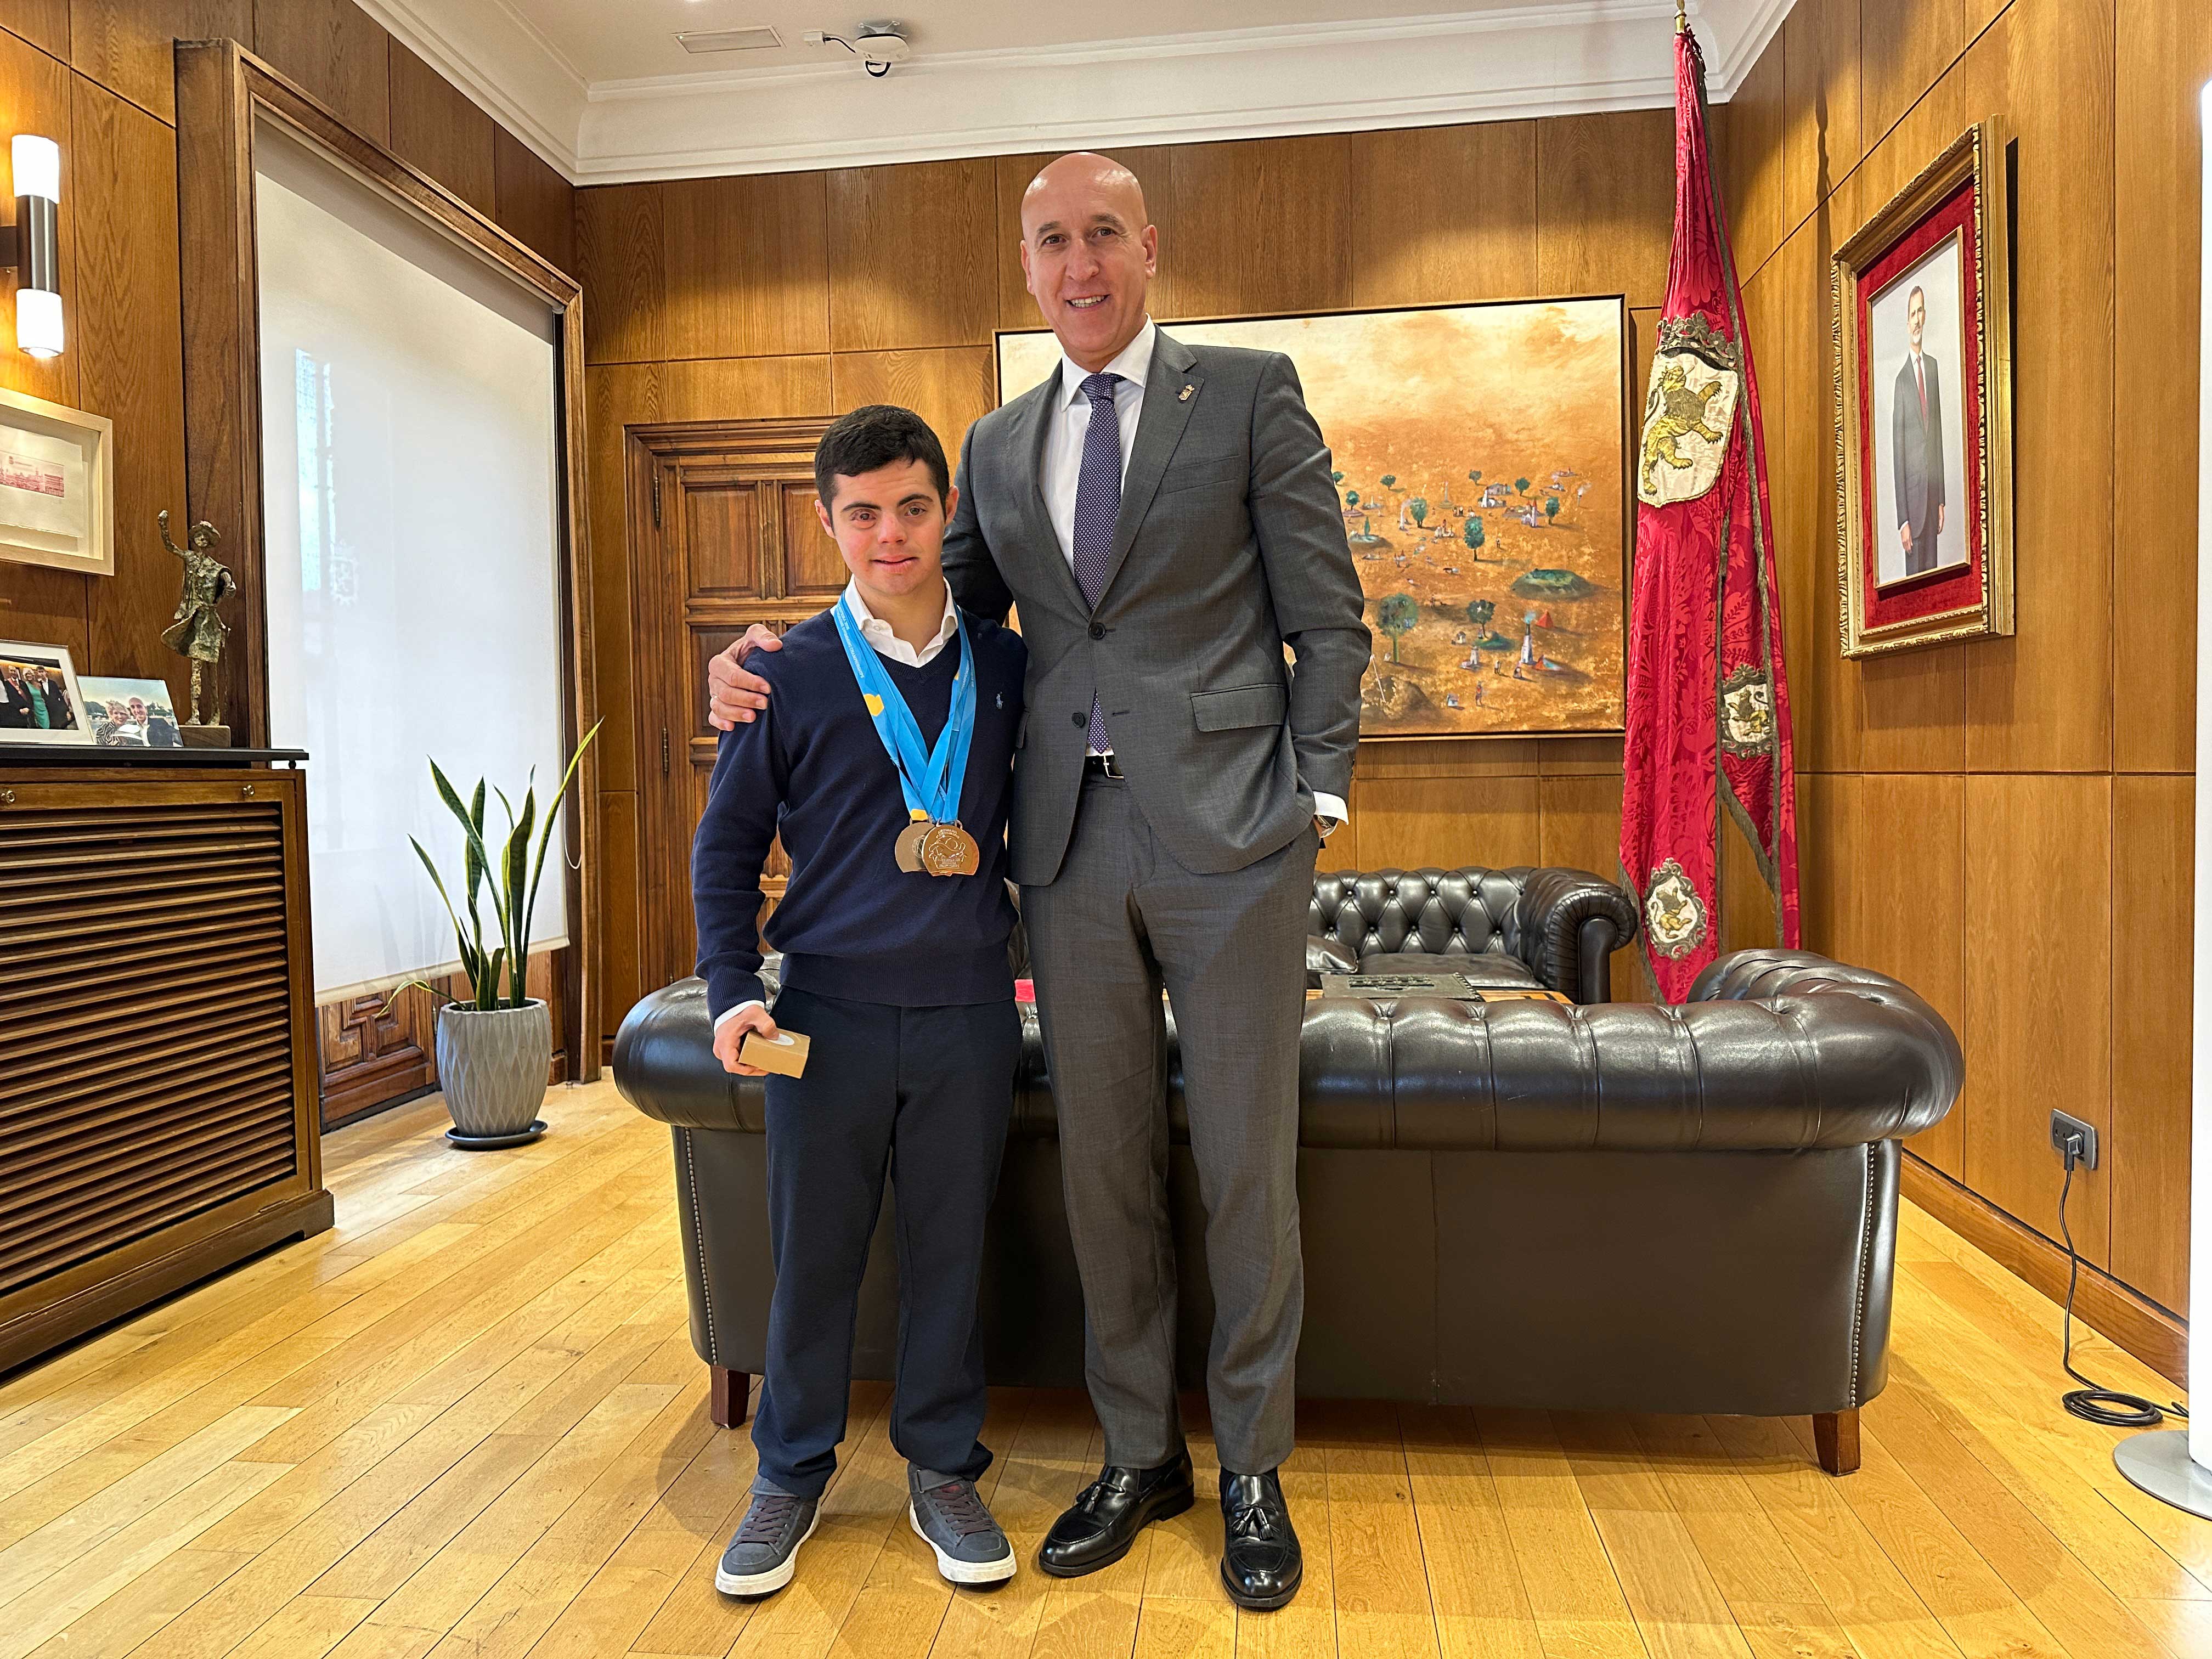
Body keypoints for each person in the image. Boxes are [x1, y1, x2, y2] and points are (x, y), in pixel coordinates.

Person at [708, 152, 1368, 1611]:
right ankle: (1142, 1451)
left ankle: (1251, 1460)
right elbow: (936, 621)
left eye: (1106, 235)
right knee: (1104, 1164)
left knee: (1248, 1164)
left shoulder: (1248, 395)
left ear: (1151, 246)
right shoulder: (995, 447)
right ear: (1028, 266)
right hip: (1060, 851)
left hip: (1236, 848)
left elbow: (1330, 614)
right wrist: (762, 658)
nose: (1082, 263)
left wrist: (1312, 790)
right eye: (1054, 240)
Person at [692, 405, 1029, 1600]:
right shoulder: (780, 675)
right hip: (821, 1016)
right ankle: (790, 1468)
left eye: (914, 507)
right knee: (814, 1255)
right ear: (829, 522)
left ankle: (942, 1465)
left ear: (947, 511)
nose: (892, 534)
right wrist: (733, 990)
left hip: (969, 1016)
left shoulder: (1007, 664)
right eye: (864, 513)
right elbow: (726, 850)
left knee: (952, 1250)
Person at [1892, 284, 1946, 577]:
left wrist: (1941, 500)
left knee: (1935, 585)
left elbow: (1936, 438)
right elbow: (1897, 454)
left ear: (1925, 316)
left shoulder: (1934, 369)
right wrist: (1903, 521)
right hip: (1912, 511)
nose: (1916, 319)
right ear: (1907, 321)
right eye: (1912, 313)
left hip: (1931, 503)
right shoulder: (1901, 382)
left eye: (1920, 311)